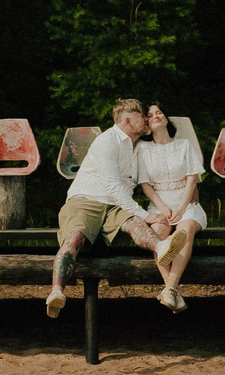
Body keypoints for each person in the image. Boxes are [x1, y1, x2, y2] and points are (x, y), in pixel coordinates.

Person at [47, 97, 172, 317]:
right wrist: (144, 213)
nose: (145, 119)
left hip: (115, 205)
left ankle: (161, 248)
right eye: (140, 115)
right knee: (74, 237)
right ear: (127, 120)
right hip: (87, 199)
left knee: (136, 225)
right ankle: (57, 291)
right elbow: (112, 185)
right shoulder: (107, 141)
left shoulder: (139, 146)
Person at [137, 104, 206, 311]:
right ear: (146, 124)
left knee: (185, 231)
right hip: (159, 201)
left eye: (159, 112)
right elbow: (145, 185)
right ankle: (171, 289)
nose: (156, 116)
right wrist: (163, 207)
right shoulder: (143, 148)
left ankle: (169, 288)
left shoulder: (184, 145)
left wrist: (181, 207)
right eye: (150, 115)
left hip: (186, 200)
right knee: (158, 232)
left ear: (166, 119)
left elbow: (192, 178)